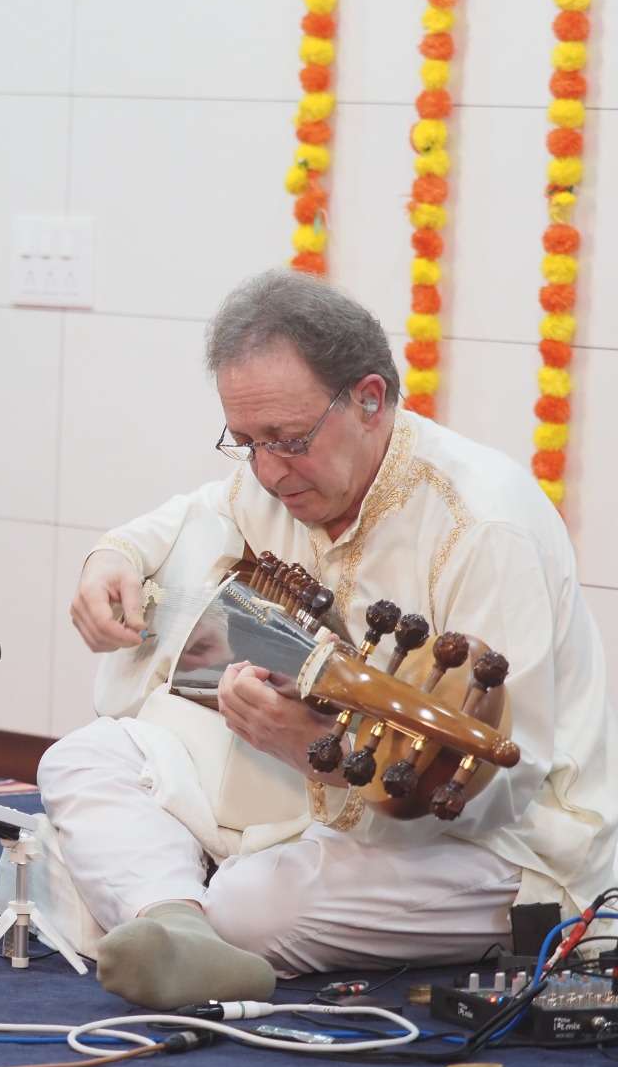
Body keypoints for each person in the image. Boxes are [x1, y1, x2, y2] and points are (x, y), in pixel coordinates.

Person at [40, 268, 616, 1009]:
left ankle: (172, 901)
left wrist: (327, 756)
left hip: (498, 846)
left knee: (254, 906)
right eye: (245, 442)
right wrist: (113, 556)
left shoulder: (482, 528)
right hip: (316, 810)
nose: (270, 472)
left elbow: (509, 782)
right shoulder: (279, 478)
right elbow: (197, 512)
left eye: (288, 440)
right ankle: (177, 924)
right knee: (84, 757)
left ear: (369, 400)